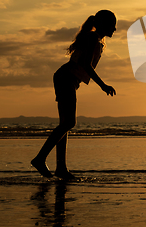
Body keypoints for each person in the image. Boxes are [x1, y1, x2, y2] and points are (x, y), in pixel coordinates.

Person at [31, 10, 117, 180]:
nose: (115, 29)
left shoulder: (96, 39)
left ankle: (61, 168)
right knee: (69, 122)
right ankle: (40, 159)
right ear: (103, 25)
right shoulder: (93, 38)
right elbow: (86, 65)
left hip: (67, 79)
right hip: (66, 78)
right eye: (112, 25)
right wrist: (103, 85)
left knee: (65, 124)